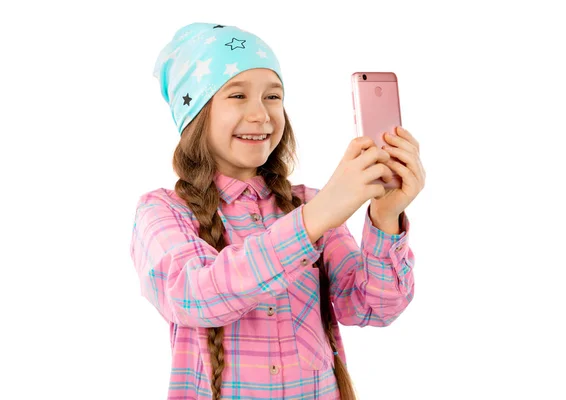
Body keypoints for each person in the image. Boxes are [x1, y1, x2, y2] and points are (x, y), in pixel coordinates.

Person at [130, 22, 425, 400]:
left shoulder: (309, 203)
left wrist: (386, 216)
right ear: (196, 113)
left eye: (273, 96)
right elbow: (194, 295)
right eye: (237, 95)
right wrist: (314, 220)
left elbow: (372, 308)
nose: (262, 115)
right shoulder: (162, 211)